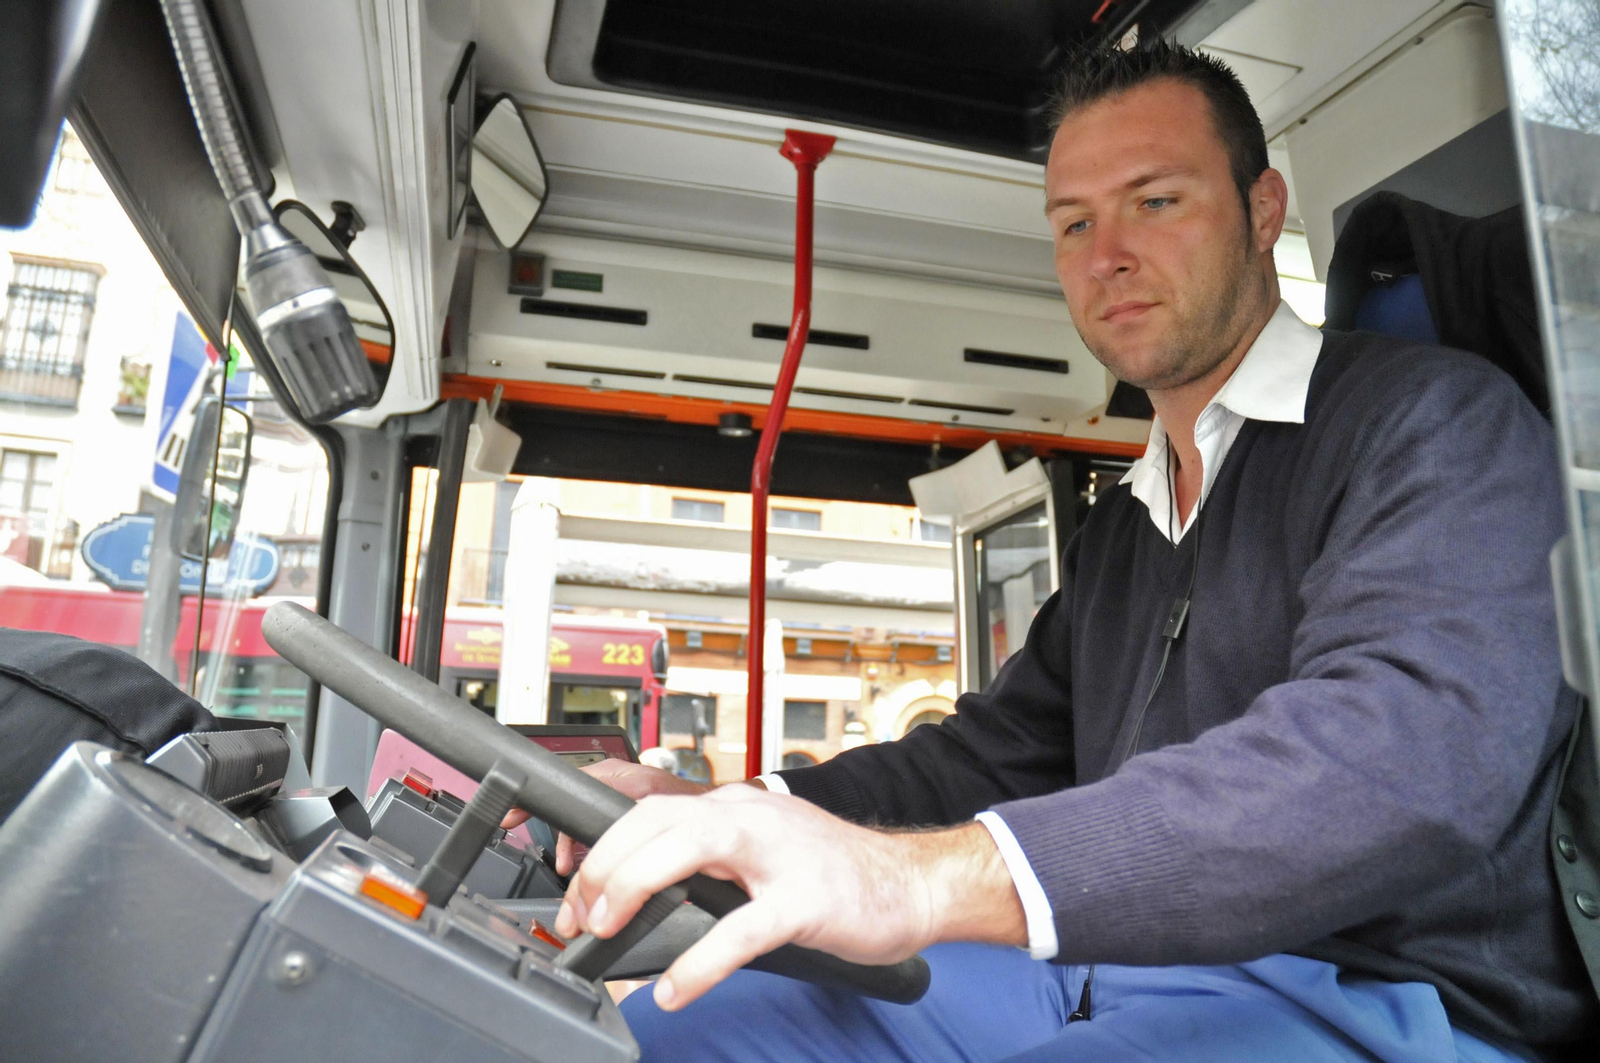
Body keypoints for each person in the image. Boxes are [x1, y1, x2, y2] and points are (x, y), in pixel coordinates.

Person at [518, 42, 1597, 1060]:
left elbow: (1399, 753)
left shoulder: (1434, 423)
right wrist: (721, 814)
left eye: (1155, 202)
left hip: (1369, 997)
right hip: (1114, 965)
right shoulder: (1131, 523)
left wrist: (923, 884)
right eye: (1073, 223)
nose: (1108, 255)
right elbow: (985, 758)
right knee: (684, 1022)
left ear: (1262, 210)